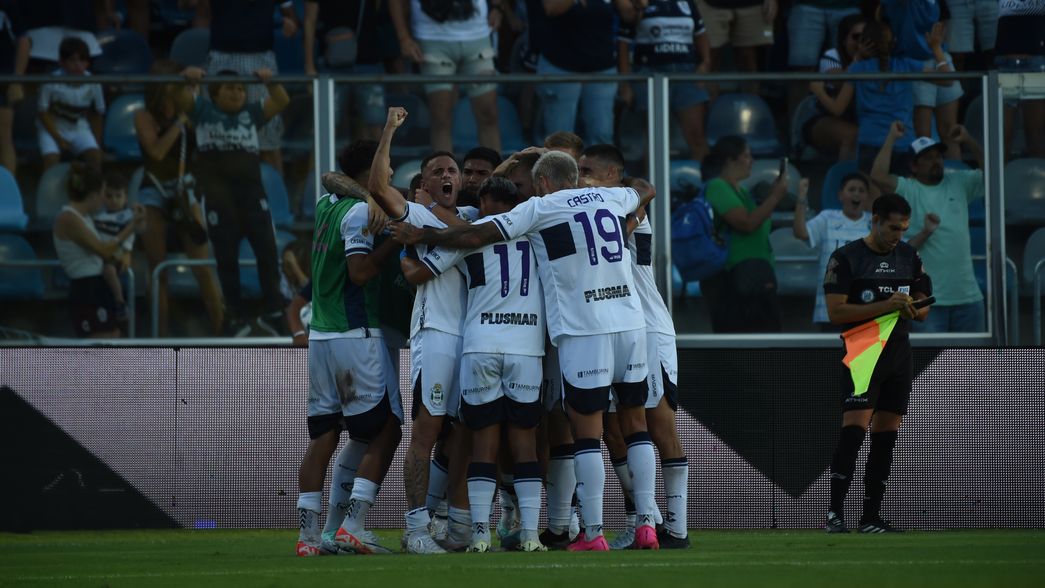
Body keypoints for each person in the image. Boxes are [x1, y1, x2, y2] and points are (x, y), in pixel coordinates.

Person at [388, 148, 659, 552]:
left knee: (584, 434)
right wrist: (627, 213)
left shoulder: (540, 209)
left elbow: (475, 234)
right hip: (630, 323)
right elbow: (645, 187)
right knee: (635, 428)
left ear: (544, 182)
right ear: (577, 177)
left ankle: (592, 533)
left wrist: (423, 234)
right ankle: (645, 523)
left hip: (582, 329)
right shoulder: (613, 197)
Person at [400, 177, 548, 553]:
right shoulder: (536, 237)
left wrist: (411, 244)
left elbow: (419, 273)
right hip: (526, 348)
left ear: (482, 201)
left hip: (480, 346)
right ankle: (531, 534)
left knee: (483, 443)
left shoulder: (469, 238)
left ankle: (480, 535)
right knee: (524, 444)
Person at [367, 107, 480, 554]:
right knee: (427, 430)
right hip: (435, 334)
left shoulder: (471, 213)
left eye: (453, 169)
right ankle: (415, 528)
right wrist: (389, 130)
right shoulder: (414, 211)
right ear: (425, 183)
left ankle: (450, 524)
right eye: (439, 171)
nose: (449, 175)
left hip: (473, 338)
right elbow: (377, 186)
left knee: (461, 437)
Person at [577, 144, 690, 549]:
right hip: (613, 328)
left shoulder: (624, 211)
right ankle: (646, 519)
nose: (581, 175)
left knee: (659, 428)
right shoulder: (603, 206)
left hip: (646, 328)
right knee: (613, 430)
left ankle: (676, 528)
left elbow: (646, 188)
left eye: (588, 169)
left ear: (612, 175)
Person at [295, 139, 405, 557]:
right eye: (386, 165)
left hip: (321, 336)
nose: (390, 172)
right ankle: (354, 527)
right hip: (354, 333)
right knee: (387, 429)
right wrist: (395, 239)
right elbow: (359, 273)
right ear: (371, 169)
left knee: (325, 434)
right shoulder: (361, 212)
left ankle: (309, 538)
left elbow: (332, 178)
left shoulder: (329, 204)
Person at [823, 193, 932, 533]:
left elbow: (924, 305)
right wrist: (888, 305)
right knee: (854, 433)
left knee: (886, 437)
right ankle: (835, 513)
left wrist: (914, 307)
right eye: (892, 227)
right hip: (864, 351)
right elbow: (836, 312)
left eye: (902, 229)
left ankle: (871, 517)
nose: (897, 234)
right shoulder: (846, 258)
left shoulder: (910, 257)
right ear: (875, 220)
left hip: (899, 354)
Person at [184, 66, 290, 337]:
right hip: (220, 198)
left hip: (252, 195)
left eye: (241, 88)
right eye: (230, 88)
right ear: (214, 93)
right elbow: (180, 98)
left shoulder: (250, 113)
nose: (237, 92)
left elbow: (281, 100)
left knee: (267, 251)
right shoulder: (204, 112)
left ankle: (274, 312)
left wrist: (270, 81)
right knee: (226, 258)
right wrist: (189, 79)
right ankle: (234, 316)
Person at [134, 60, 224, 337]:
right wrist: (180, 123)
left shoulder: (190, 108)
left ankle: (224, 334)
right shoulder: (143, 116)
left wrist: (193, 92)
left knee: (203, 266)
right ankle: (158, 337)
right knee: (157, 267)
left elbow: (211, 132)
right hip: (155, 189)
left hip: (186, 191)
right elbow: (157, 152)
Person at [870, 121, 985, 332]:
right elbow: (877, 176)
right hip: (926, 302)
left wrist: (968, 140)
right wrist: (891, 138)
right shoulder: (907, 188)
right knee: (930, 365)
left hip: (968, 297)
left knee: (973, 366)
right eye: (928, 158)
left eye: (939, 156)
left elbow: (994, 169)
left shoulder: (959, 182)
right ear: (914, 166)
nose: (936, 161)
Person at [810, 19, 953, 174]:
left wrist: (819, 91)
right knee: (898, 197)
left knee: (872, 197)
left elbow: (837, 108)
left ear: (864, 43)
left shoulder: (857, 69)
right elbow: (947, 79)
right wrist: (936, 48)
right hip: (903, 143)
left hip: (871, 143)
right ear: (894, 43)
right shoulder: (905, 65)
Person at [195, 0, 298, 175]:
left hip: (259, 60)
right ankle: (213, 194)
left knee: (267, 136)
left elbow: (291, 18)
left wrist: (290, 24)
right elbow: (201, 12)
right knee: (215, 132)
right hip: (220, 56)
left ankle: (276, 200)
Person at [698, 135, 786, 333]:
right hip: (734, 280)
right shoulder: (717, 186)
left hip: (755, 277)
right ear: (730, 160)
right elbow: (746, 223)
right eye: (746, 156)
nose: (752, 161)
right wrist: (775, 196)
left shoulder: (741, 192)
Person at [389, 0, 501, 153]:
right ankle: (444, 174)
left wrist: (496, 6)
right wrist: (404, 38)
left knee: (489, 112)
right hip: (432, 36)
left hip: (478, 34)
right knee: (440, 117)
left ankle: (495, 173)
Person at [52, 163, 144, 338]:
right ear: (94, 195)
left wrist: (127, 252)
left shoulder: (86, 218)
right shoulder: (68, 218)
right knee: (99, 348)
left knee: (114, 339)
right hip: (86, 288)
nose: (104, 199)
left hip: (99, 284)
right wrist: (131, 226)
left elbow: (110, 249)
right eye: (103, 193)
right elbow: (103, 249)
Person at [618, 0, 712, 162]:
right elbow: (623, 44)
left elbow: (700, 33)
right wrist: (625, 84)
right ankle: (651, 186)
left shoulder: (687, 3)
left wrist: (705, 62)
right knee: (655, 139)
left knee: (696, 136)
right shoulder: (639, 2)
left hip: (686, 73)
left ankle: (707, 185)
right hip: (650, 74)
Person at [533, 0, 637, 146]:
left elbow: (629, 15)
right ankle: (558, 169)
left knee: (602, 135)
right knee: (559, 139)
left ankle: (599, 169)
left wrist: (636, 6)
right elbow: (551, 8)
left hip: (601, 68)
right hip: (561, 66)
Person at [302, 0, 400, 141]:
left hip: (368, 59)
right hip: (332, 63)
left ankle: (377, 163)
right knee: (327, 126)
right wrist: (309, 66)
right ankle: (327, 163)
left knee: (375, 125)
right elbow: (309, 21)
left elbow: (377, 8)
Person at [793, 173, 872, 329]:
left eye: (861, 190)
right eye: (852, 189)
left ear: (867, 197)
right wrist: (801, 196)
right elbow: (800, 232)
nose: (856, 193)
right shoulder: (827, 218)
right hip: (828, 312)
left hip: (865, 312)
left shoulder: (875, 223)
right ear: (840, 195)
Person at [804, 13, 866, 161]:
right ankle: (847, 181)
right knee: (852, 135)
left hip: (859, 118)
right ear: (844, 39)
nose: (861, 43)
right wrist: (858, 58)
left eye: (866, 38)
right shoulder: (832, 55)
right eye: (856, 37)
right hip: (824, 118)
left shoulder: (876, 60)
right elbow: (840, 81)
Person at [36, 36, 103, 171]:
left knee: (95, 158)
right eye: (72, 60)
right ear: (61, 62)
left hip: (79, 129)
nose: (78, 65)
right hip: (51, 129)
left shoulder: (94, 82)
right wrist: (59, 139)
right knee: (51, 161)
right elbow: (43, 113)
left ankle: (92, 191)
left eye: (82, 60)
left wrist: (97, 143)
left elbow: (98, 114)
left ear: (87, 62)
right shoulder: (50, 81)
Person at [993, 0, 1045, 159]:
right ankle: (1000, 183)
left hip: (1036, 60)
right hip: (1006, 61)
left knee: (1035, 138)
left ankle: (1039, 183)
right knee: (1001, 138)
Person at [694, 0, 776, 95]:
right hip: (708, 4)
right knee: (709, 63)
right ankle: (710, 108)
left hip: (754, 5)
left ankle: (753, 105)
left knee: (750, 63)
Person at [92, 170, 136, 324]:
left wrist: (127, 251)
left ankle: (120, 303)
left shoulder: (128, 215)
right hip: (97, 254)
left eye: (118, 196)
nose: (114, 200)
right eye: (109, 196)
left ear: (126, 197)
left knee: (109, 270)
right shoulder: (97, 215)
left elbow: (130, 235)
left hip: (115, 255)